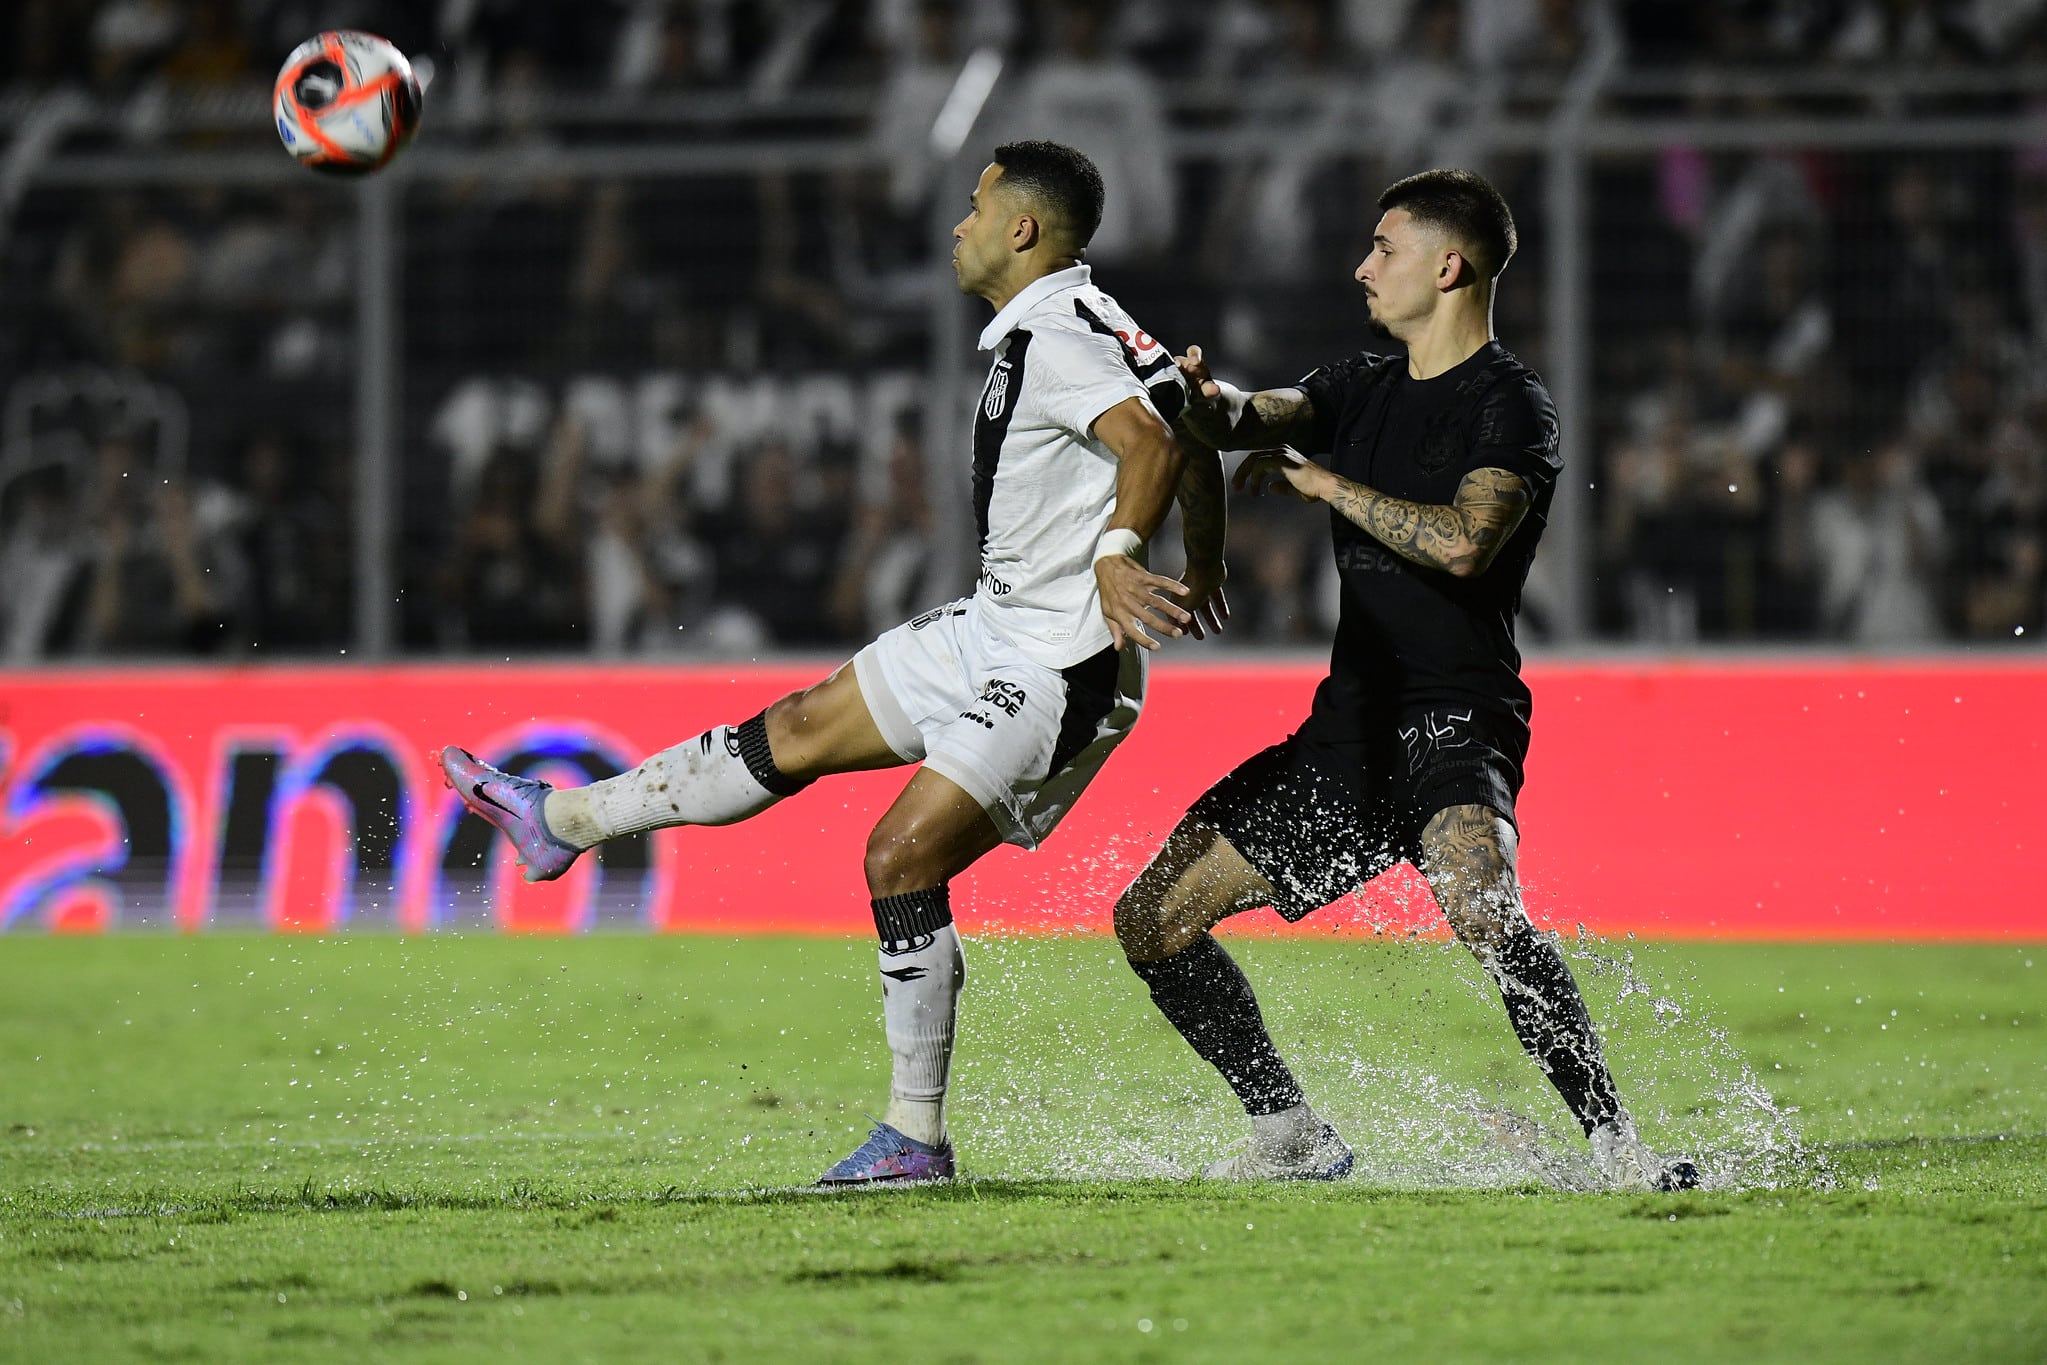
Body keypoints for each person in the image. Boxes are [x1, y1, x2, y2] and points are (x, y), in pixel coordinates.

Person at [440, 140, 1228, 1185]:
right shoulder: (1090, 321)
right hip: (994, 624)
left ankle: (913, 1139)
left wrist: (1128, 556)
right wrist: (1204, 560)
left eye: (976, 207)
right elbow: (1193, 421)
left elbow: (1155, 442)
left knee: (898, 859)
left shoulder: (1056, 333)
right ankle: (560, 823)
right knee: (799, 727)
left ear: (1023, 231)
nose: (959, 224)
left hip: (1057, 662)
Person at [1113, 168, 1701, 1191]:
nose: (1361, 266)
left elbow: (1469, 544)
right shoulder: (1359, 385)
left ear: (1448, 264)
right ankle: (1292, 1136)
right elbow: (1256, 415)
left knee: (1478, 904)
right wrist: (1205, 403)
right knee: (1150, 918)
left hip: (1454, 720)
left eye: (1383, 248)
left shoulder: (1510, 407)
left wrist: (1325, 481)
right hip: (1349, 731)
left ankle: (1616, 1148)